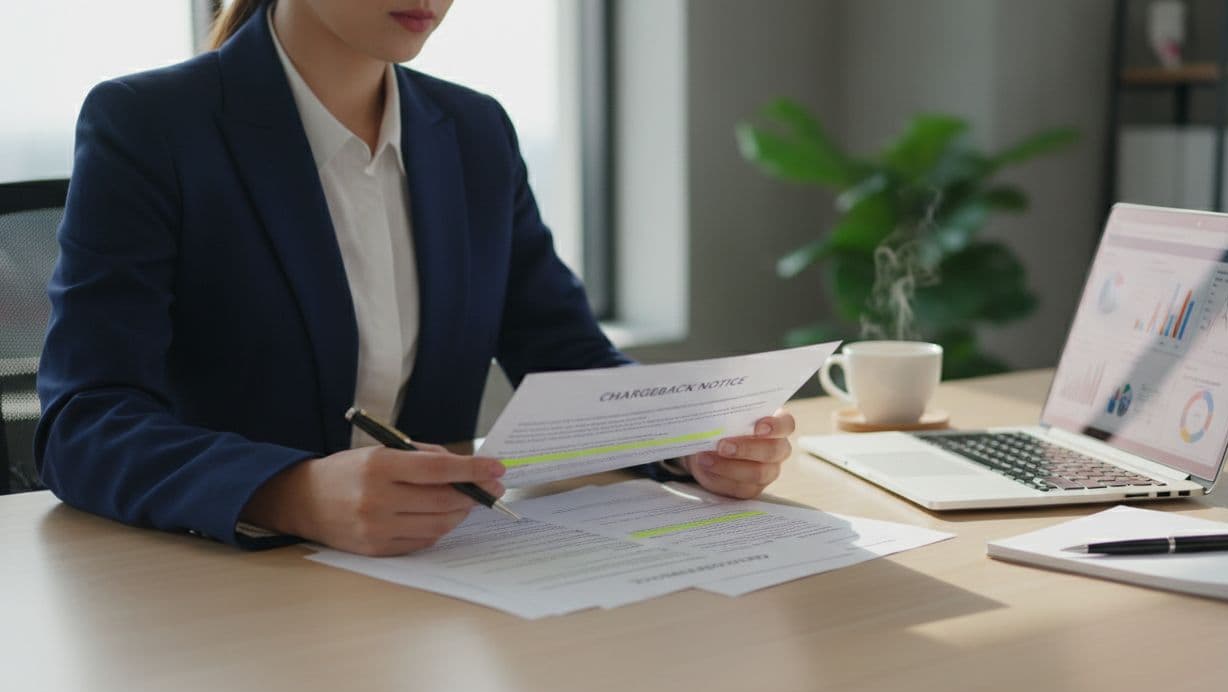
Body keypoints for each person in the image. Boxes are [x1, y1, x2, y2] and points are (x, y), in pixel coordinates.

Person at [36, 0, 795, 556]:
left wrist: (687, 441)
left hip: (438, 587)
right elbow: (84, 421)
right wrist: (289, 491)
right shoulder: (151, 124)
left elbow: (564, 355)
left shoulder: (473, 134)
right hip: (221, 599)